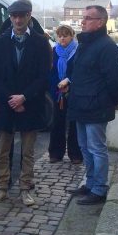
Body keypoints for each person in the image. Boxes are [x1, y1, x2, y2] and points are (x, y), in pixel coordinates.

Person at [0, 0, 52, 207]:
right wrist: (12, 99)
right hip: (6, 104)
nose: (17, 20)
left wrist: (24, 97)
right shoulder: (1, 41)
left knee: (28, 151)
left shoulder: (41, 42)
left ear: (28, 16)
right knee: (2, 150)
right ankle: (2, 188)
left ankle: (26, 188)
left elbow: (44, 76)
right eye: (13, 16)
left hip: (30, 103)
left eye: (21, 16)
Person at [62, 6, 118, 205]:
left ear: (101, 22)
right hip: (80, 104)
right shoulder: (84, 44)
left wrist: (109, 102)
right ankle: (90, 184)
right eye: (83, 17)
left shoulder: (107, 47)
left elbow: (114, 80)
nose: (83, 21)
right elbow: (81, 73)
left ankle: (99, 188)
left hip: (96, 106)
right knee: (84, 147)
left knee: (97, 148)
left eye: (88, 18)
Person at [48, 24, 82, 165]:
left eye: (65, 35)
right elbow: (51, 71)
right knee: (57, 122)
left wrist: (68, 82)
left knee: (74, 123)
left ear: (72, 36)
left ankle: (75, 154)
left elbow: (79, 70)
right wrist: (56, 86)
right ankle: (56, 152)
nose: (62, 38)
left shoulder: (78, 51)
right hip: (58, 92)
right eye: (60, 35)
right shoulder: (54, 51)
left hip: (74, 91)